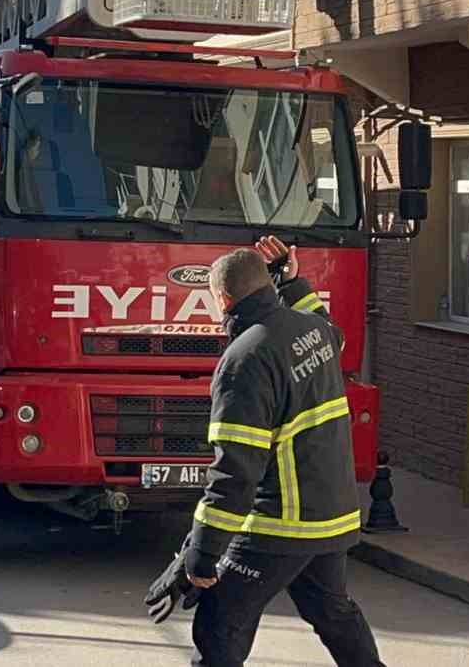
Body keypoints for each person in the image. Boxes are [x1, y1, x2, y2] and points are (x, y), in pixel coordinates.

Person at [146, 236, 384, 666]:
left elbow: (235, 471)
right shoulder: (313, 331)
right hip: (333, 516)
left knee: (221, 623)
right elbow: (330, 332)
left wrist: (201, 554)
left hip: (281, 524)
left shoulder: (245, 359)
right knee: (332, 613)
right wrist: (294, 284)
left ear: (221, 298)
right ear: (267, 287)